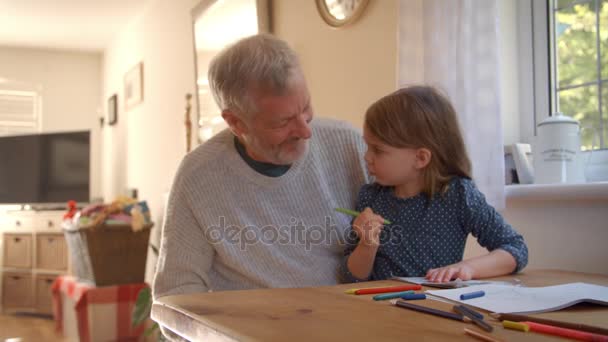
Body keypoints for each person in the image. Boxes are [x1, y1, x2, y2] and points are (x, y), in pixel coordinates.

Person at [153, 34, 369, 299]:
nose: (305, 130)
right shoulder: (199, 176)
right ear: (236, 123)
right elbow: (176, 293)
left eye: (306, 108)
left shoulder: (350, 145)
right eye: (283, 122)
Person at [341, 85, 528, 283]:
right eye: (367, 146)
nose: (367, 157)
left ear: (421, 158)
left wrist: (468, 268)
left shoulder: (458, 194)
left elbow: (516, 249)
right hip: (377, 308)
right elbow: (352, 277)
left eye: (377, 150)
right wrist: (366, 245)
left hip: (435, 308)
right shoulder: (370, 198)